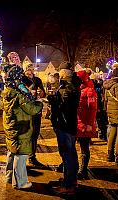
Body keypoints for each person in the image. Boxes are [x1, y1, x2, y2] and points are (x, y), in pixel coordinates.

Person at [1, 63, 43, 189]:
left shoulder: (7, 91)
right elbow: (32, 109)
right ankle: (20, 182)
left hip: (11, 126)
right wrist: (39, 103)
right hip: (21, 127)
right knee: (21, 154)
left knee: (12, 151)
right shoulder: (18, 94)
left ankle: (9, 177)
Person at [47, 66, 80, 195]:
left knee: (67, 154)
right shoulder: (72, 87)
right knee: (71, 152)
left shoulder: (67, 89)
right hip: (69, 125)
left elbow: (63, 109)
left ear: (64, 76)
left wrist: (52, 102)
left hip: (64, 125)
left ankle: (68, 185)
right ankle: (71, 179)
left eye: (60, 76)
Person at [103, 67, 118, 165]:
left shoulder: (107, 84)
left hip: (111, 110)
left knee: (113, 132)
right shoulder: (117, 85)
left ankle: (110, 155)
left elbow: (105, 99)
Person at [22, 64, 46, 167]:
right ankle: (23, 158)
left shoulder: (38, 80)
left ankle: (32, 157)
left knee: (35, 133)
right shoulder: (21, 80)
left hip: (36, 110)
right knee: (26, 134)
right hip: (25, 111)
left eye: (31, 69)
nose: (30, 71)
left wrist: (41, 93)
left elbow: (43, 93)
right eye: (28, 69)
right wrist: (29, 92)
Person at [76, 69, 98, 179]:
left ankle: (83, 170)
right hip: (76, 123)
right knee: (71, 146)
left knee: (84, 148)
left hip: (84, 124)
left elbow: (93, 109)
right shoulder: (77, 89)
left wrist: (89, 124)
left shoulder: (89, 90)